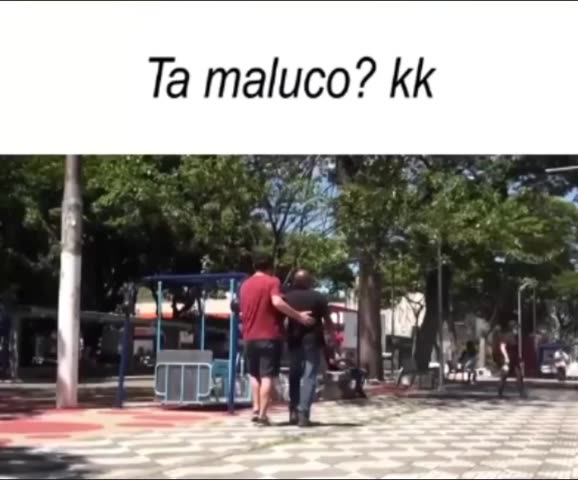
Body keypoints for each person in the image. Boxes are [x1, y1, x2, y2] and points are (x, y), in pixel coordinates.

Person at [239, 253, 314, 427]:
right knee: (267, 376)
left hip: (249, 336)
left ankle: (255, 409)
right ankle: (263, 416)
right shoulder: (272, 281)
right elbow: (277, 302)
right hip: (269, 336)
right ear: (270, 267)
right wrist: (298, 316)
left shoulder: (245, 285)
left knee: (254, 375)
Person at [284, 270, 335, 428]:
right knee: (309, 376)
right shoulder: (319, 297)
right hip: (313, 340)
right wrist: (332, 336)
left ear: (295, 281)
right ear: (309, 281)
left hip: (294, 340)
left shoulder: (287, 297)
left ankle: (293, 410)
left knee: (294, 375)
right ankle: (303, 414)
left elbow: (281, 319)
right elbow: (328, 320)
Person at [495, 321, 527, 399]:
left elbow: (515, 350)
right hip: (507, 360)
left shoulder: (515, 337)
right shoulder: (507, 336)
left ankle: (522, 393)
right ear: (513, 328)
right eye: (517, 328)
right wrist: (506, 358)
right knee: (504, 376)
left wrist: (520, 359)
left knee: (519, 376)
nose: (518, 330)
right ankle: (499, 393)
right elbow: (502, 347)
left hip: (515, 360)